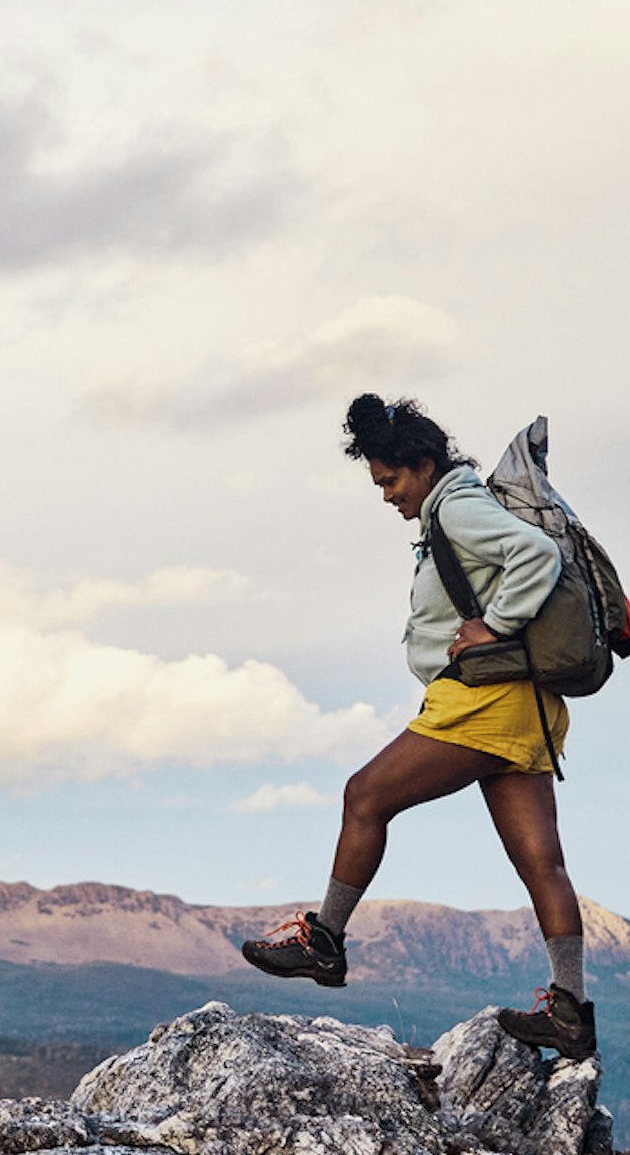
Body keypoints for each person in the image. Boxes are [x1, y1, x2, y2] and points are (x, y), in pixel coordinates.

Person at [240, 393, 600, 1062]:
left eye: (390, 479)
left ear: (424, 464)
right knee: (540, 861)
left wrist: (494, 627)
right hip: (524, 702)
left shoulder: (458, 506)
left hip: (484, 699)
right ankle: (571, 1012)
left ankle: (324, 942)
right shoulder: (453, 507)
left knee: (364, 795)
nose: (386, 495)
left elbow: (537, 556)